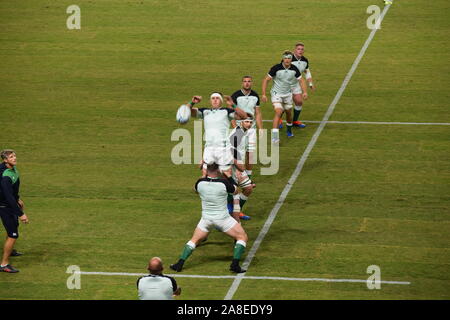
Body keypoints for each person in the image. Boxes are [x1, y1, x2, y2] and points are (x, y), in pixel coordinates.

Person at [170, 163, 248, 273]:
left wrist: (203, 178)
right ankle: (234, 265)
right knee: (242, 237)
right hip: (223, 219)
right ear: (218, 171)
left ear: (207, 171)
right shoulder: (224, 183)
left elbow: (195, 190)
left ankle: (179, 264)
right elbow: (235, 190)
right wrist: (230, 177)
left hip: (206, 219)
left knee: (194, 241)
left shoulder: (200, 183)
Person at [187, 92, 247, 176]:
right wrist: (192, 102)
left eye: (217, 98)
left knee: (226, 175)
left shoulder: (226, 111)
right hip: (209, 148)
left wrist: (233, 104)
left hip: (222, 148)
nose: (215, 100)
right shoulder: (204, 111)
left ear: (221, 101)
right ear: (210, 101)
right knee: (205, 175)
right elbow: (186, 112)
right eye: (213, 98)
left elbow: (244, 116)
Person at [262, 51, 308, 143]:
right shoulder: (276, 68)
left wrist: (305, 92)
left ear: (291, 59)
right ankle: (275, 137)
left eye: (289, 58)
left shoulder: (294, 69)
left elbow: (301, 80)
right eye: (285, 58)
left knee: (288, 113)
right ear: (283, 58)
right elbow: (266, 80)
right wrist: (263, 94)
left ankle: (289, 130)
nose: (287, 60)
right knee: (279, 111)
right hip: (276, 94)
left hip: (288, 94)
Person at [0, 149, 29, 273]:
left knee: (13, 228)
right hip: (5, 207)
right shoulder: (6, 175)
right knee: (13, 235)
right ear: (5, 160)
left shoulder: (11, 168)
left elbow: (13, 190)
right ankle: (4, 264)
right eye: (11, 157)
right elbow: (8, 196)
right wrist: (21, 214)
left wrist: (18, 199)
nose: (14, 158)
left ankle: (10, 250)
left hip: (9, 204)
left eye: (14, 156)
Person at [228, 116, 255, 221]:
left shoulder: (245, 133)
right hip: (231, 166)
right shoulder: (237, 133)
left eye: (250, 122)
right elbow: (230, 149)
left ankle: (237, 211)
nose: (249, 124)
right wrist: (238, 165)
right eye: (246, 122)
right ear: (241, 123)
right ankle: (227, 215)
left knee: (248, 188)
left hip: (238, 167)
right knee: (231, 191)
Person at [283, 42, 315, 129]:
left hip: (296, 84)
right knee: (285, 103)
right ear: (294, 50)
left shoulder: (305, 60)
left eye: (302, 49)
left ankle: (295, 121)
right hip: (286, 84)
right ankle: (279, 120)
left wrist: (310, 83)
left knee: (299, 102)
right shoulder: (288, 59)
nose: (300, 51)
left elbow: (306, 71)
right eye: (298, 49)